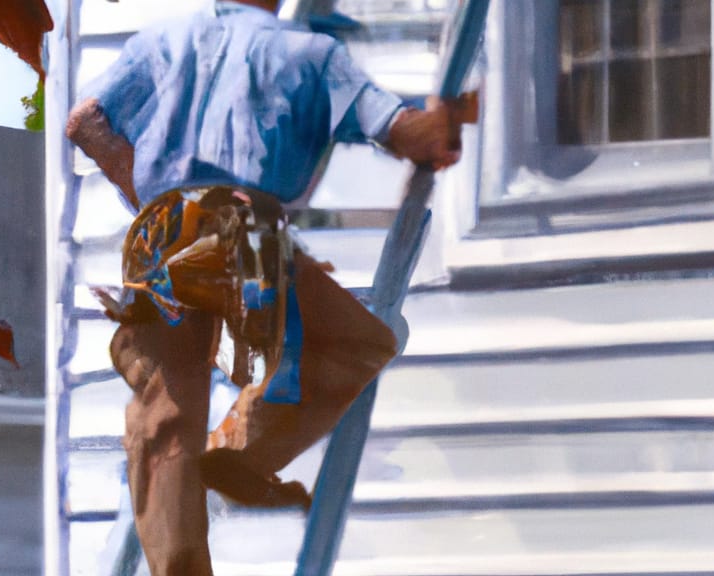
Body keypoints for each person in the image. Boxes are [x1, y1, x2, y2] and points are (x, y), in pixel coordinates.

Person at [66, 1, 477, 573]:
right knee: (354, 343)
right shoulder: (310, 54)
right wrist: (443, 125)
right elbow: (402, 132)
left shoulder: (162, 40)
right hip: (246, 230)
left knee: (165, 417)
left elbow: (84, 121)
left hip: (161, 232)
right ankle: (239, 452)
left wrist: (144, 190)